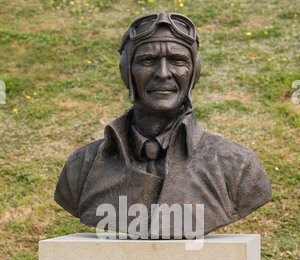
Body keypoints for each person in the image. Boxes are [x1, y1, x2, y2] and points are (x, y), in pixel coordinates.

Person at [54, 13, 272, 238]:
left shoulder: (237, 167)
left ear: (194, 71)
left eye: (178, 61)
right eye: (147, 61)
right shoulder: (81, 168)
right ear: (126, 70)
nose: (163, 73)